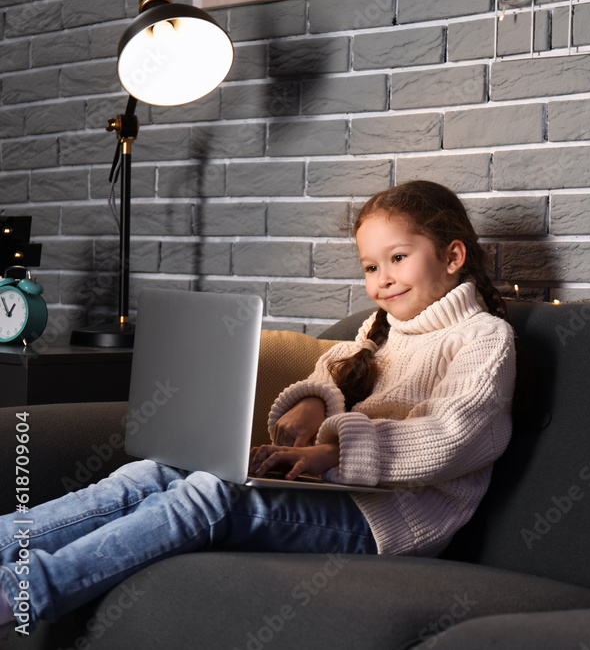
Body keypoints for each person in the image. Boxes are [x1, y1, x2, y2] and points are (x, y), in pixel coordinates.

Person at [0, 180, 517, 633]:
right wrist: (314, 403)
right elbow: (329, 373)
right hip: (337, 492)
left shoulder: (484, 339)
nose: (381, 279)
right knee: (151, 473)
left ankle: (21, 594)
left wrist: (333, 453)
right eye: (370, 266)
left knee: (209, 495)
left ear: (452, 257)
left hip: (393, 522)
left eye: (397, 258)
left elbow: (455, 436)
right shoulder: (378, 330)